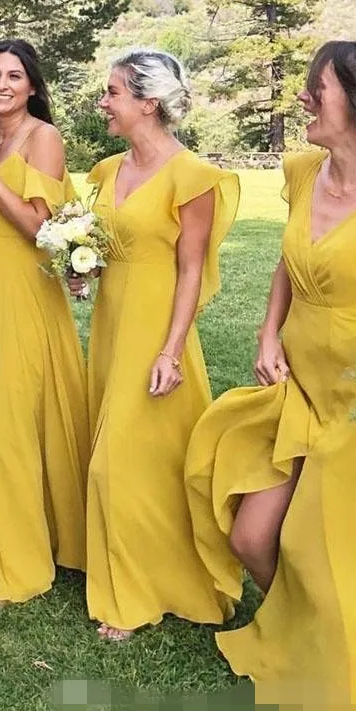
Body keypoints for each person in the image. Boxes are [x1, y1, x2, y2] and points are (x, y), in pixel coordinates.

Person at [186, 40, 356, 711]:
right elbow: (291, 263)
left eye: (316, 87)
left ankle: (333, 667)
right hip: (298, 381)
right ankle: (306, 638)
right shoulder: (301, 168)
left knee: (319, 552)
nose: (303, 98)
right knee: (253, 538)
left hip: (351, 400)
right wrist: (266, 333)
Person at [75, 49, 239, 640]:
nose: (103, 103)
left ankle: (137, 594)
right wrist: (80, 270)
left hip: (157, 330)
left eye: (112, 93)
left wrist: (170, 349)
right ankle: (138, 570)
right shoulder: (104, 171)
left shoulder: (192, 176)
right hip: (111, 323)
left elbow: (191, 270)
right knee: (130, 458)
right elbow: (96, 245)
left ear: (148, 102)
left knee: (122, 460)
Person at [0, 39, 89, 606]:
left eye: (14, 76)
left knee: (14, 416)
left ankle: (19, 562)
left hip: (25, 290)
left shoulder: (43, 138)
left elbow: (37, 226)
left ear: (33, 86)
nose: (2, 84)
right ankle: (37, 532)